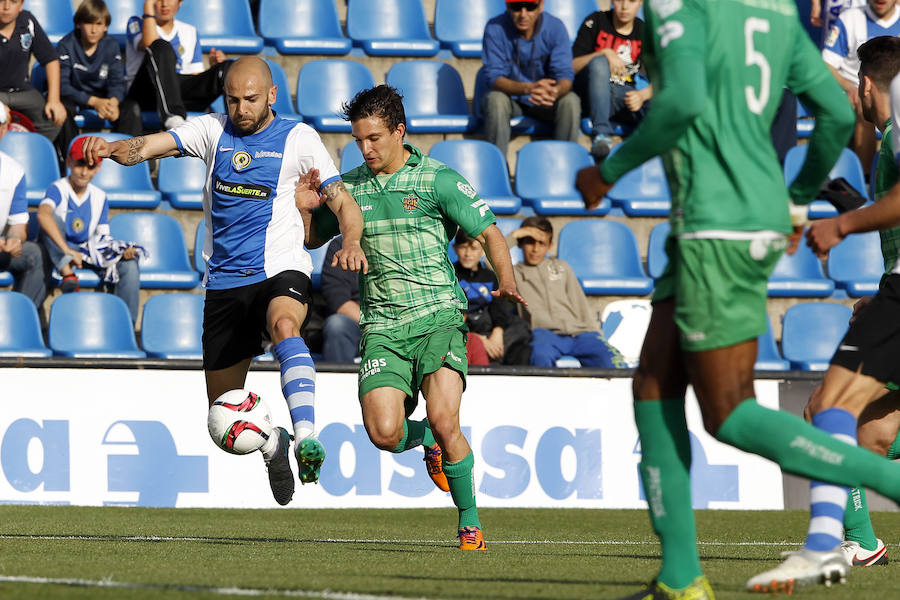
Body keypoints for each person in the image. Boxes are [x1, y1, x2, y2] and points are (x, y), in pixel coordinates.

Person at [573, 0, 900, 596]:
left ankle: (890, 485)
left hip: (713, 227)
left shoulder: (678, 6)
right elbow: (831, 112)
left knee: (731, 415)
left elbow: (681, 102)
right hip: (724, 223)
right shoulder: (778, 16)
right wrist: (797, 196)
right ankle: (679, 578)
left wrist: (607, 173)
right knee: (653, 387)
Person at [78, 57, 368, 507]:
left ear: (272, 95)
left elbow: (344, 202)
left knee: (285, 327)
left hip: (279, 269)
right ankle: (274, 442)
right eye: (232, 99)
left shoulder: (299, 138)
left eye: (250, 99)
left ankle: (307, 434)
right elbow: (152, 145)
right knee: (222, 419)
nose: (241, 108)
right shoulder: (212, 130)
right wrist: (112, 147)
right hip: (224, 286)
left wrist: (350, 240)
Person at [305, 85, 525, 550]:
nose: (365, 149)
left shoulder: (437, 180)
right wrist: (307, 208)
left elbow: (489, 233)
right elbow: (310, 239)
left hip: (438, 316)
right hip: (382, 326)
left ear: (399, 132)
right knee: (384, 433)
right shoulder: (348, 189)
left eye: (374, 138)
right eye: (358, 140)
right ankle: (427, 442)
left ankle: (470, 524)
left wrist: (505, 277)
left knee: (448, 420)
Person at [798, 35, 900, 575]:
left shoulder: (896, 135)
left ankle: (856, 541)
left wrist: (843, 222)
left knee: (825, 411)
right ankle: (863, 541)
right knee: (872, 435)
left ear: (865, 85)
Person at [37, 136, 143, 323]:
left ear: (98, 168)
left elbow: (103, 237)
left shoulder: (100, 196)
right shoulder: (58, 188)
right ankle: (66, 271)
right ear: (68, 162)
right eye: (80, 164)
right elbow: (43, 214)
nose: (84, 172)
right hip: (59, 253)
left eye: (91, 166)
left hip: (86, 253)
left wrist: (119, 252)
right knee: (51, 220)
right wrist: (67, 251)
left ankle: (125, 327)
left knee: (130, 266)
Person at [510, 216, 624, 368]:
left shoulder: (562, 267)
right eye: (529, 242)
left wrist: (595, 333)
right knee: (539, 357)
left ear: (550, 246)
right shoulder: (512, 273)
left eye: (541, 243)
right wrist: (515, 235)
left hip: (581, 334)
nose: (535, 249)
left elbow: (580, 303)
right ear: (520, 244)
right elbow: (487, 261)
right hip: (544, 334)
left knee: (613, 360)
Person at [481, 0, 580, 157]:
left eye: (530, 7)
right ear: (507, 6)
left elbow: (565, 75)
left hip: (546, 100)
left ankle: (565, 162)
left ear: (541, 6)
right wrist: (529, 88)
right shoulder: (495, 28)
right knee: (495, 99)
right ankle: (496, 164)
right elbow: (494, 78)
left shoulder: (555, 27)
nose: (523, 14)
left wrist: (555, 91)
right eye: (517, 7)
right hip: (511, 99)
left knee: (570, 100)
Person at [124, 0, 231, 130]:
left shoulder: (190, 31)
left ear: (180, 2)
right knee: (160, 46)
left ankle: (235, 128)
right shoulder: (136, 22)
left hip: (178, 92)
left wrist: (214, 69)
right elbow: (149, 43)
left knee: (228, 68)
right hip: (145, 92)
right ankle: (173, 118)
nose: (164, 4)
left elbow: (194, 75)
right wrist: (148, 12)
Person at [56, 0, 142, 158]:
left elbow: (117, 82)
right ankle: (72, 160)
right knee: (62, 109)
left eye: (99, 24)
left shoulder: (111, 45)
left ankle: (127, 160)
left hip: (103, 100)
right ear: (78, 24)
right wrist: (93, 102)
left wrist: (113, 102)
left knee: (131, 108)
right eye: (89, 23)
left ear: (105, 27)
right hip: (74, 98)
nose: (94, 30)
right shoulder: (65, 45)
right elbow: (62, 86)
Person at [822, 0, 900, 170]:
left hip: (894, 91)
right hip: (858, 92)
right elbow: (827, 65)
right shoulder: (849, 18)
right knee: (864, 103)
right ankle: (864, 179)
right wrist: (849, 86)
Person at [571, 0, 651, 159]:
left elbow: (662, 78)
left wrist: (642, 96)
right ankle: (601, 135)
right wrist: (604, 53)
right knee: (600, 63)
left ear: (640, 3)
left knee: (657, 101)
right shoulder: (595, 21)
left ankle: (649, 147)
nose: (625, 6)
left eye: (632, 1)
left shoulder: (643, 31)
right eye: (620, 0)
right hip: (590, 97)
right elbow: (571, 66)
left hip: (621, 97)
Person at [453, 230, 531, 366]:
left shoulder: (490, 276)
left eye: (473, 248)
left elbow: (499, 308)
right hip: (466, 331)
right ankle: (491, 357)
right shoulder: (451, 276)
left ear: (483, 251)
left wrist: (498, 332)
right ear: (455, 248)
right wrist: (482, 340)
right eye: (463, 247)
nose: (467, 253)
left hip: (489, 329)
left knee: (521, 327)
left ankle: (496, 354)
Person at [0, 101, 47, 311]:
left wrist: (14, 240)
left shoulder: (14, 170)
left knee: (35, 255)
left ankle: (19, 322)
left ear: (4, 129)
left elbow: (19, 224)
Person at [0, 0, 66, 143]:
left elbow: (51, 60)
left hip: (22, 91)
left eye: (13, 1)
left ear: (21, 5)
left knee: (53, 119)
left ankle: (30, 154)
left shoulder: (27, 21)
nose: (6, 7)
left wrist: (54, 100)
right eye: (1, 1)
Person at [320, 234, 361, 363]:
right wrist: (375, 324)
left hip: (401, 322)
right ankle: (339, 381)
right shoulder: (340, 247)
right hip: (360, 324)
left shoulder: (403, 245)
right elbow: (338, 300)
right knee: (337, 325)